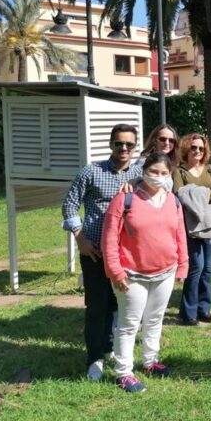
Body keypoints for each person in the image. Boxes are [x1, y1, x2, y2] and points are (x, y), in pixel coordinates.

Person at [61, 123, 143, 381]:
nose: (123, 148)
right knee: (97, 307)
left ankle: (115, 351)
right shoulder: (91, 172)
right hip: (95, 250)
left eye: (129, 144)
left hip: (126, 253)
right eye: (119, 143)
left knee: (123, 305)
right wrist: (79, 236)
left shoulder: (140, 173)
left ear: (135, 147)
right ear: (111, 144)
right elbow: (69, 205)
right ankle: (94, 358)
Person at [102, 153, 188, 393]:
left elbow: (180, 233)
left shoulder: (172, 200)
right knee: (129, 324)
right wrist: (115, 271)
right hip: (131, 275)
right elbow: (109, 239)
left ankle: (150, 362)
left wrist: (182, 265)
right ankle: (124, 373)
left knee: (155, 319)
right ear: (144, 171)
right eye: (154, 172)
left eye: (164, 173)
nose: (158, 177)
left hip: (165, 272)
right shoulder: (125, 199)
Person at [172, 133, 211, 325]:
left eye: (201, 148)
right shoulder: (179, 172)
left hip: (210, 224)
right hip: (190, 224)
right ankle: (188, 312)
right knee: (196, 267)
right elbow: (178, 194)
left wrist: (194, 192)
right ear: (187, 148)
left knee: (208, 269)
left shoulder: (210, 169)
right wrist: (204, 194)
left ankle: (204, 309)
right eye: (194, 147)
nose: (197, 151)